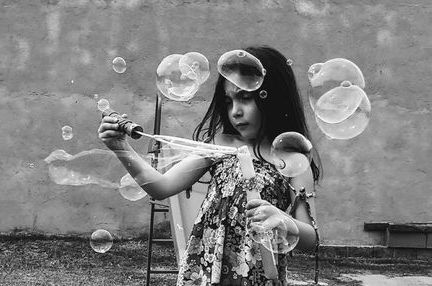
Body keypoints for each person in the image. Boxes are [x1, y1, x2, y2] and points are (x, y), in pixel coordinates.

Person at [98, 45, 322, 286]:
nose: (235, 111)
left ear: (272, 96)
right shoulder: (218, 146)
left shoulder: (292, 161)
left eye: (245, 98)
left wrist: (281, 218)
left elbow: (311, 239)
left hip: (256, 277)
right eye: (228, 101)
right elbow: (161, 187)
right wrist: (121, 147)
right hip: (206, 273)